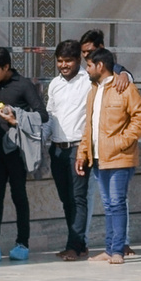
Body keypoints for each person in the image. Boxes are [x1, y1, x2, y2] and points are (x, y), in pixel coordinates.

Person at [77, 45, 141, 262]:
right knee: (108, 205)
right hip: (99, 158)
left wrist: (121, 142)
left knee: (117, 203)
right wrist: (83, 152)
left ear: (100, 66)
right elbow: (89, 126)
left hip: (120, 157)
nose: (87, 70)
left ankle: (117, 250)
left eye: (89, 65)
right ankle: (109, 249)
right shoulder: (93, 91)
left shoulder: (124, 88)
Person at [0, 46, 43, 263]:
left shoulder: (23, 86)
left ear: (6, 67)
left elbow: (42, 115)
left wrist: (17, 118)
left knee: (19, 195)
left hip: (16, 150)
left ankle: (23, 243)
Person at [42, 40, 93, 258]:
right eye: (60, 61)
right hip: (57, 148)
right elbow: (50, 115)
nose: (63, 65)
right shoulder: (54, 84)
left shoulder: (89, 81)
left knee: (78, 198)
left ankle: (74, 245)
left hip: (78, 148)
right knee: (66, 199)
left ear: (78, 60)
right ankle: (78, 243)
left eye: (68, 61)